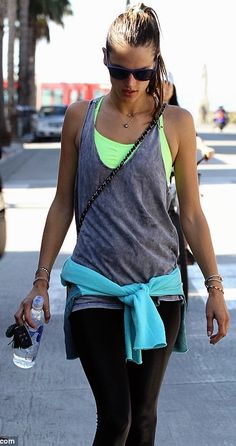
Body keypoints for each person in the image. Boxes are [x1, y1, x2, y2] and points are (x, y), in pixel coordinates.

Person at [14, 4, 230, 445]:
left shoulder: (177, 124)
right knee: (116, 418)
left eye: (142, 73)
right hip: (95, 288)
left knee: (144, 419)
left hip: (159, 291)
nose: (130, 83)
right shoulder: (80, 117)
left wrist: (215, 289)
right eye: (119, 71)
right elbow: (61, 204)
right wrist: (40, 279)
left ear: (156, 64)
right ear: (104, 61)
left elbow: (190, 212)